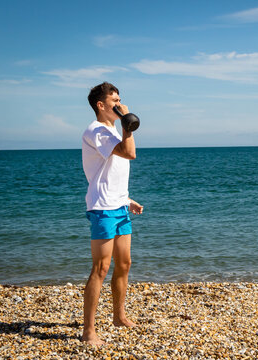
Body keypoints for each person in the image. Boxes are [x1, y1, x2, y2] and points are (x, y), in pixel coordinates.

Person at [81, 82, 144, 346]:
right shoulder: (96, 131)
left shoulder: (112, 132)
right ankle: (88, 332)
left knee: (125, 263)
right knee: (101, 268)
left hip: (118, 206)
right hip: (103, 209)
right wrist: (127, 122)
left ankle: (119, 316)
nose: (119, 105)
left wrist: (127, 199)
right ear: (101, 105)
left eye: (120, 100)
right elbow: (130, 153)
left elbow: (110, 173)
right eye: (115, 101)